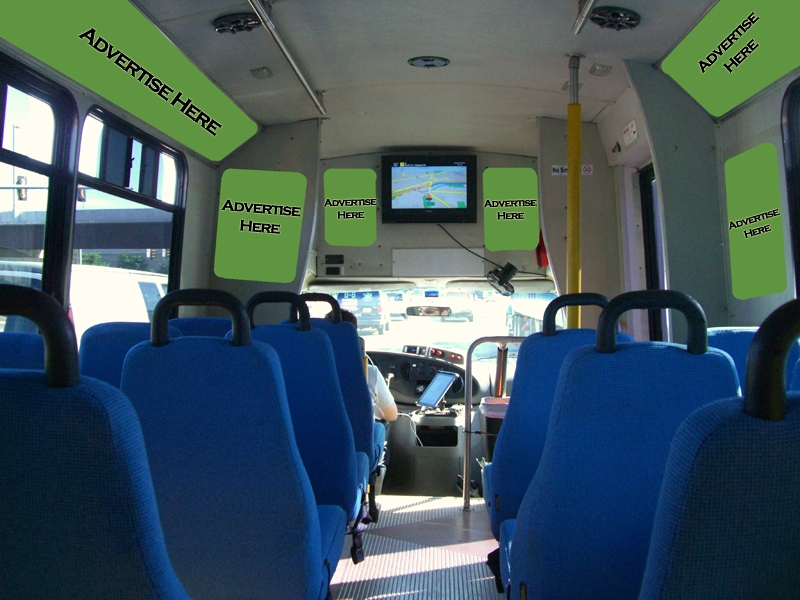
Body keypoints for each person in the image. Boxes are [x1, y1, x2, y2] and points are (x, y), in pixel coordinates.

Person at [328, 309, 398, 421]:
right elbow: (392, 415)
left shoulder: (307, 371)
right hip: (358, 437)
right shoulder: (368, 372)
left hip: (310, 436)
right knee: (380, 427)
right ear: (353, 339)